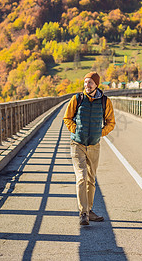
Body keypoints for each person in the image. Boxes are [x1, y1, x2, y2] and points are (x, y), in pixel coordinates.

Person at [63, 72, 115, 225]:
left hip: (94, 145)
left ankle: (89, 210)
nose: (87, 85)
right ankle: (83, 213)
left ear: (96, 85)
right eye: (85, 82)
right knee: (81, 177)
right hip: (77, 144)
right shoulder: (77, 99)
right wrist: (75, 130)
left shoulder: (105, 101)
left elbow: (111, 122)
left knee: (91, 179)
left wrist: (100, 133)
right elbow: (67, 118)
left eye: (90, 83)